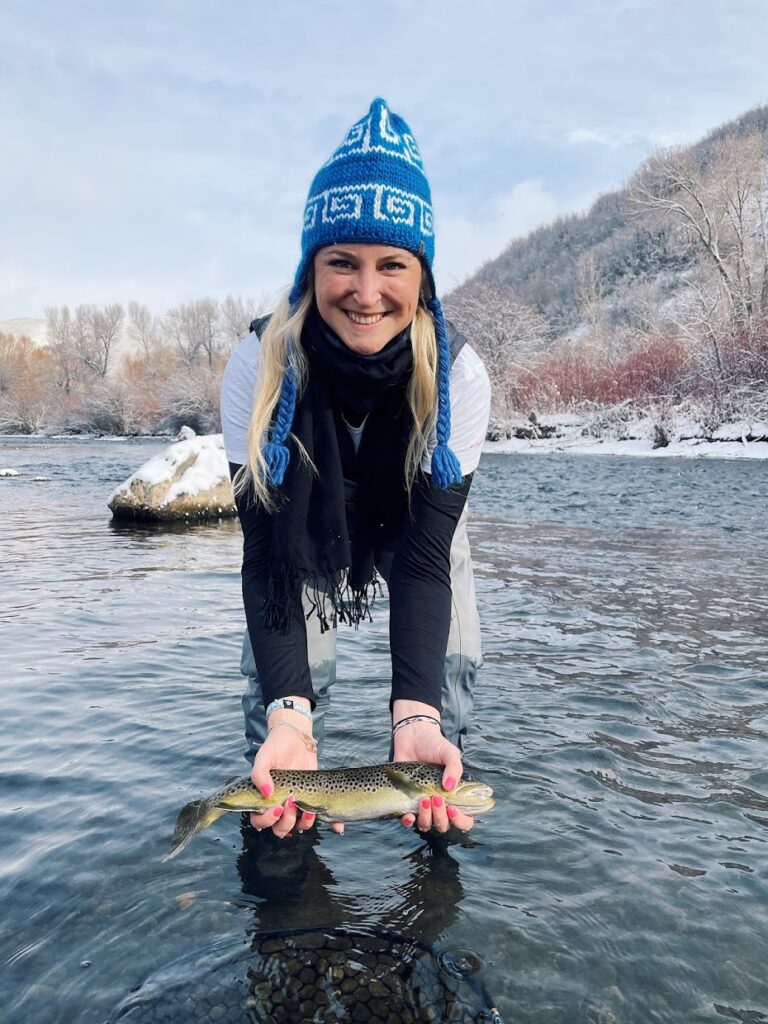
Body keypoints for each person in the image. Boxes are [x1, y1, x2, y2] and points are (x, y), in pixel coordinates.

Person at [220, 98, 490, 841]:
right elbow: (266, 556)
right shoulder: (258, 367)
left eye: (391, 264)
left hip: (416, 530)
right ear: (310, 268)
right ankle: (283, 855)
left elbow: (426, 560)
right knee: (280, 729)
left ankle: (433, 864)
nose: (366, 292)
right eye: (342, 261)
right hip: (300, 533)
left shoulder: (460, 379)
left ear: (421, 274)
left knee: (442, 700)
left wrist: (417, 715)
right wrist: (287, 712)